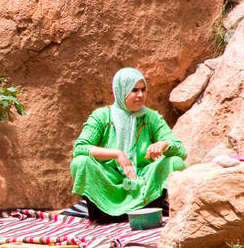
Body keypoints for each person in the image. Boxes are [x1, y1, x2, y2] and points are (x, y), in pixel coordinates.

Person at [69, 67, 186, 222]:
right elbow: (80, 148)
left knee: (175, 162)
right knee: (81, 162)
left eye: (143, 90)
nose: (140, 95)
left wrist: (163, 144)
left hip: (142, 181)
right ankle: (104, 213)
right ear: (121, 91)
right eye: (134, 90)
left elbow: (180, 150)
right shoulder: (101, 116)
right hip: (109, 180)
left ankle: (145, 208)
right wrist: (117, 154)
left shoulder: (151, 118)